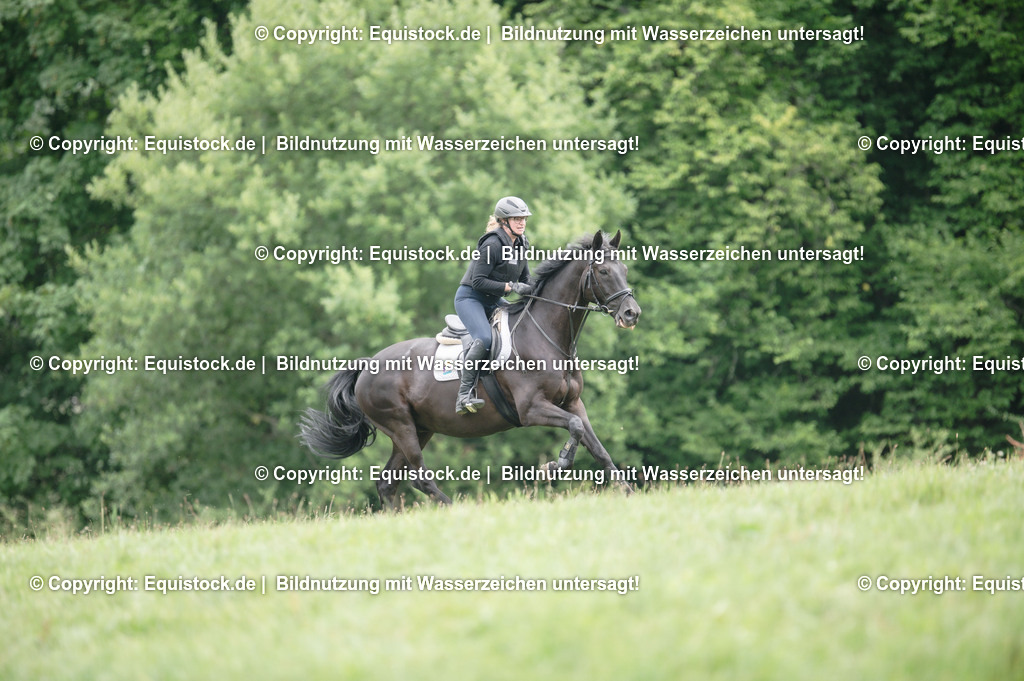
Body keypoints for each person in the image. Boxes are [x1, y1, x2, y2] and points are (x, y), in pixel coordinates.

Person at [453, 196, 534, 414]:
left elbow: (526, 279)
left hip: (493, 300)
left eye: (524, 218)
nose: (522, 223)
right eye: (516, 219)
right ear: (504, 221)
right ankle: (463, 395)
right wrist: (510, 287)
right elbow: (478, 282)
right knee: (485, 338)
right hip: (471, 298)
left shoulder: (522, 243)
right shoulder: (492, 244)